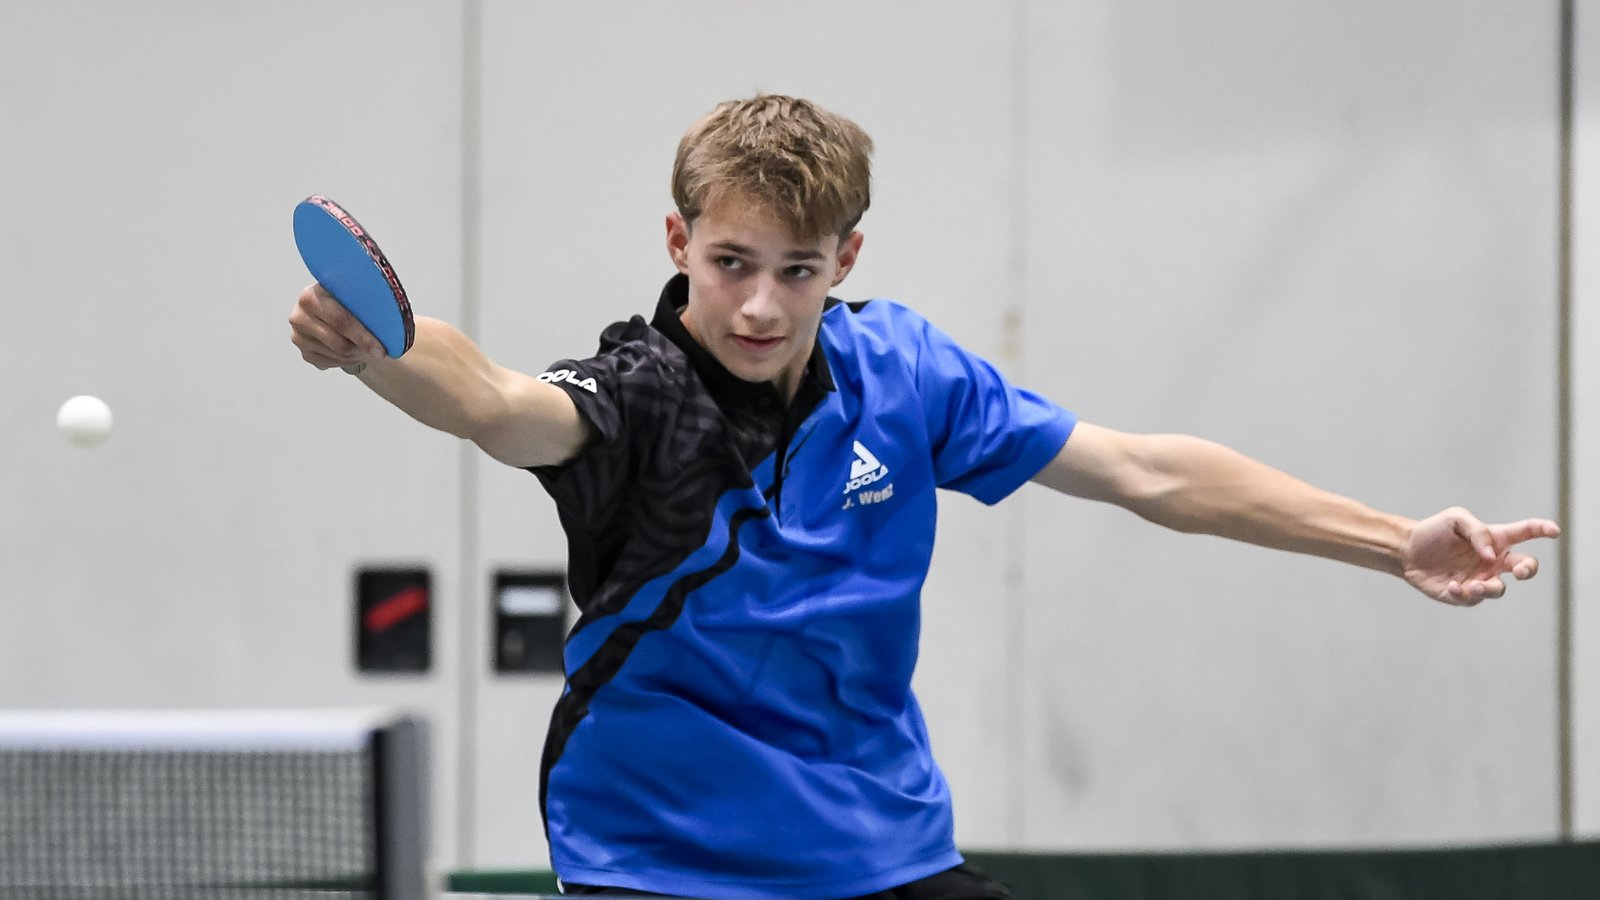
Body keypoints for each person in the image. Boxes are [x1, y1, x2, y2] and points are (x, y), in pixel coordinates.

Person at [289, 95, 1560, 900]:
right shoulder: (641, 403)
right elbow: (499, 400)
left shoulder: (904, 370)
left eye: (796, 270)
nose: (759, 305)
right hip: (664, 861)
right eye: (729, 263)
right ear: (677, 245)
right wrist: (382, 348)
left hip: (878, 848)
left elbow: (1146, 471)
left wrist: (1393, 539)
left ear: (846, 259)